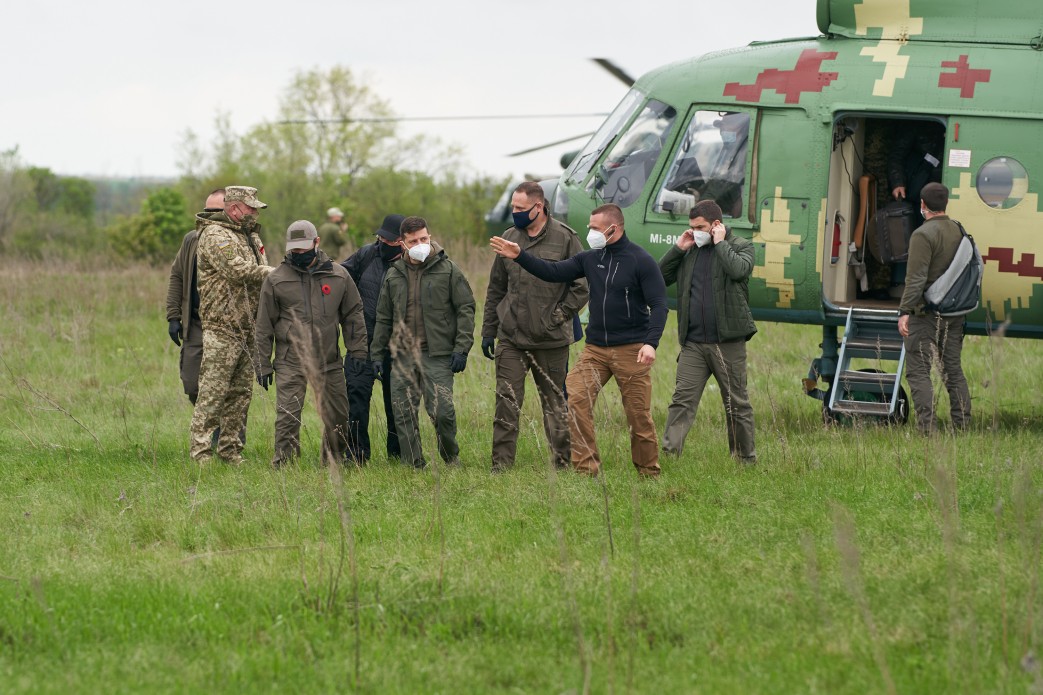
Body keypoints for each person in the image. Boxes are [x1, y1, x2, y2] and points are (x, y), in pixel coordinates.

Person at [490, 203, 667, 477]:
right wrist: (520, 256)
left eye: (595, 228)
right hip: (595, 350)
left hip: (631, 349)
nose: (590, 233)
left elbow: (659, 305)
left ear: (613, 229)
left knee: (637, 416)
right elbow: (553, 272)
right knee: (574, 399)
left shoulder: (640, 260)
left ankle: (648, 472)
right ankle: (586, 470)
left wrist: (650, 343)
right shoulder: (589, 258)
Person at [481, 182, 588, 473]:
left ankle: (562, 464)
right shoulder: (508, 237)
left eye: (520, 208)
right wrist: (489, 330)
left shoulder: (565, 238)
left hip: (552, 340)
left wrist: (558, 316)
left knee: (555, 405)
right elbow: (496, 287)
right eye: (513, 207)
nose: (514, 213)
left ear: (538, 207)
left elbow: (581, 286)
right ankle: (501, 466)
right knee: (506, 402)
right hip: (512, 337)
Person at [255, 220, 368, 466]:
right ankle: (284, 464)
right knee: (288, 414)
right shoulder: (276, 280)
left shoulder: (339, 275)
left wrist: (358, 351)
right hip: (290, 360)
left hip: (328, 360)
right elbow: (264, 325)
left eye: (304, 249)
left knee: (338, 415)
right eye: (294, 250)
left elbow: (353, 314)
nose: (299, 254)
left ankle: (334, 460)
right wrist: (261, 363)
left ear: (317, 243)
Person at [369, 216, 475, 469]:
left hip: (436, 354)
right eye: (414, 240)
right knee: (403, 413)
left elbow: (466, 309)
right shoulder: (394, 274)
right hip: (403, 356)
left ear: (430, 236)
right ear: (402, 243)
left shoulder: (448, 269)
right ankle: (414, 463)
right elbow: (383, 317)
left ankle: (451, 458)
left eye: (424, 238)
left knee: (443, 412)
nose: (421, 244)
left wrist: (462, 349)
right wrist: (376, 355)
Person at [658, 200, 757, 463]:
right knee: (681, 402)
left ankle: (744, 460)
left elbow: (738, 271)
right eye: (691, 227)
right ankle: (669, 457)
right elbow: (659, 277)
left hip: (728, 343)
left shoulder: (741, 246)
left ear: (716, 225)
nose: (695, 232)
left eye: (699, 227)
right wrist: (678, 249)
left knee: (737, 403)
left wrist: (721, 243)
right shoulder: (690, 251)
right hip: (693, 343)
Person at [189, 185, 274, 464]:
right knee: (213, 393)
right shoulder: (215, 235)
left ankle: (230, 451)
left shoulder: (249, 235)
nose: (254, 213)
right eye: (251, 208)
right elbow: (238, 271)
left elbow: (259, 268)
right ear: (235, 208)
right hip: (222, 327)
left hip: (248, 326)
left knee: (240, 394)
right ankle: (201, 453)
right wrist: (278, 274)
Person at [898, 182, 971, 435]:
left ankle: (927, 431)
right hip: (954, 313)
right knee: (953, 370)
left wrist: (904, 311)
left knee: (918, 370)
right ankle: (961, 427)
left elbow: (916, 279)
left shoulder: (922, 235)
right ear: (946, 204)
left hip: (925, 313)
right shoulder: (959, 231)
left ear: (922, 205)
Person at [340, 214, 406, 463]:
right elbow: (340, 278)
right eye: (381, 238)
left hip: (398, 344)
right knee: (356, 396)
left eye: (388, 240)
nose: (382, 243)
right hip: (362, 341)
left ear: (402, 241)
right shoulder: (366, 255)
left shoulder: (413, 262)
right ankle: (356, 455)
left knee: (397, 401)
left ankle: (398, 455)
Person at [165, 188, 225, 406]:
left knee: (226, 387)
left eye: (216, 211)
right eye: (206, 211)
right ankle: (210, 424)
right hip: (196, 323)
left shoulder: (236, 242)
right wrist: (173, 317)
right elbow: (177, 275)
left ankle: (223, 435)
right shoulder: (192, 240)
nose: (209, 216)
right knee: (191, 383)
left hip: (225, 325)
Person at [887, 121, 945, 203]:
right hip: (915, 186)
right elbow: (896, 156)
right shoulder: (914, 127)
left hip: (936, 187)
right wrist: (898, 183)